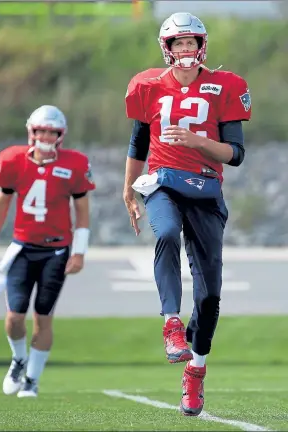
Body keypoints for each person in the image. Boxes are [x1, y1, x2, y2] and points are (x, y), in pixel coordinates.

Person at [123, 12, 251, 416]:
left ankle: (195, 372)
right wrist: (127, 189)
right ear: (167, 48)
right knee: (164, 234)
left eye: (190, 42)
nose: (185, 50)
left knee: (210, 294)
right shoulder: (148, 86)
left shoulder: (226, 85)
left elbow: (236, 155)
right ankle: (170, 323)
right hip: (162, 182)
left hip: (206, 188)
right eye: (178, 43)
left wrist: (198, 141)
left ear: (201, 46)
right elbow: (139, 142)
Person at [0, 105, 96, 398]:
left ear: (61, 135)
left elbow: (81, 211)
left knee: (43, 317)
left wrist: (79, 252)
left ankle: (32, 379)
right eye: (41, 130)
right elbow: (1, 204)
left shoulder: (75, 164)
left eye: (51, 131)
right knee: (14, 316)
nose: (45, 136)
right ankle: (18, 359)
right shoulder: (12, 159)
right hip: (22, 248)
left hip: (56, 250)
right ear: (31, 132)